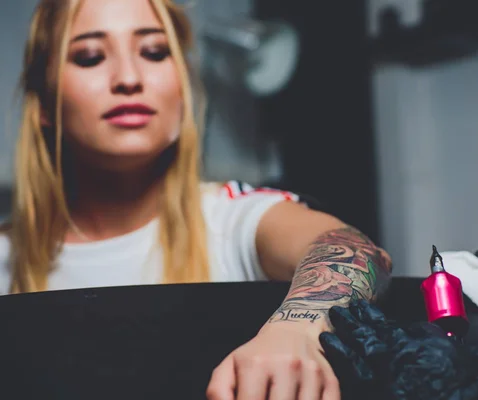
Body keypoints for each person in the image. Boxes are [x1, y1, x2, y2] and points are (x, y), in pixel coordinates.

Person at [0, 1, 393, 399]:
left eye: (154, 52)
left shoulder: (231, 218)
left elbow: (352, 248)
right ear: (45, 103)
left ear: (183, 87)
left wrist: (298, 328)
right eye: (90, 57)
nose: (129, 78)